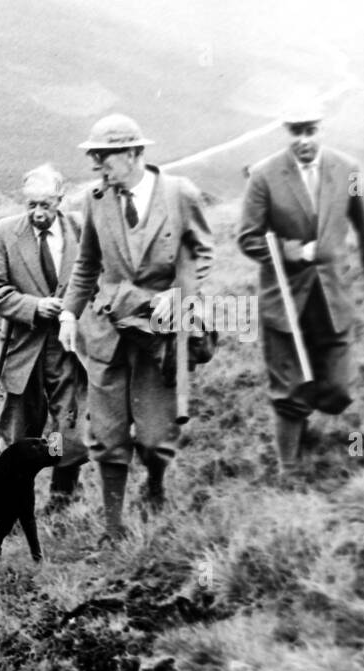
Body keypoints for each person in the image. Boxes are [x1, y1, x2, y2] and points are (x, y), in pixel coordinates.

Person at [58, 114, 214, 542]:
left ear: (134, 154)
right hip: (107, 329)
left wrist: (180, 294)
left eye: (105, 157)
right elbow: (87, 263)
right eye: (94, 158)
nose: (99, 167)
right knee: (106, 433)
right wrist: (70, 314)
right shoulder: (96, 199)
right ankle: (113, 528)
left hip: (160, 331)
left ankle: (156, 484)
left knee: (154, 435)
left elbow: (201, 252)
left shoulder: (179, 194)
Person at [236, 101, 364, 480]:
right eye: (296, 131)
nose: (304, 140)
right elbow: (247, 237)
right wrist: (291, 251)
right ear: (286, 132)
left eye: (311, 130)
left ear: (321, 129)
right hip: (285, 302)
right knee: (288, 389)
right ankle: (289, 469)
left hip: (333, 298)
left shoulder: (349, 171)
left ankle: (307, 416)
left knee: (338, 391)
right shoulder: (264, 176)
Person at [0, 164, 88, 508]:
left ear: (60, 200)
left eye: (46, 204)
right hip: (23, 347)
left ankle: (63, 495)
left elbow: (95, 280)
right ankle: (10, 500)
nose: (38, 213)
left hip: (68, 347)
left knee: (67, 426)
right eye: (31, 204)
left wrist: (73, 310)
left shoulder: (80, 230)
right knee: (19, 432)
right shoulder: (2, 234)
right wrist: (33, 306)